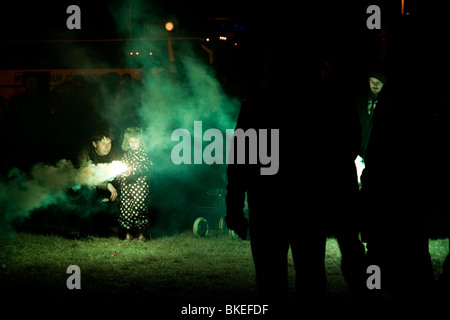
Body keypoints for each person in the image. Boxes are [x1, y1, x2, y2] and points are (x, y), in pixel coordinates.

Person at [74, 128, 121, 236]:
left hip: (105, 198)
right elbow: (82, 177)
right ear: (94, 144)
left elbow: (120, 181)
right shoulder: (85, 154)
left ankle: (102, 229)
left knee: (114, 212)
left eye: (109, 143)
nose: (107, 147)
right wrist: (106, 185)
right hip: (89, 195)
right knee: (85, 191)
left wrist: (111, 198)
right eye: (103, 143)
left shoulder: (114, 156)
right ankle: (86, 233)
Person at [118, 127, 152, 242]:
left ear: (140, 141)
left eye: (135, 141)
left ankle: (141, 234)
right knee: (126, 208)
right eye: (130, 141)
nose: (132, 144)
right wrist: (119, 175)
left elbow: (146, 166)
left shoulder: (143, 154)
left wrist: (133, 169)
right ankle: (128, 234)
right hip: (126, 186)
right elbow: (121, 168)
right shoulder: (126, 155)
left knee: (139, 207)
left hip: (139, 186)